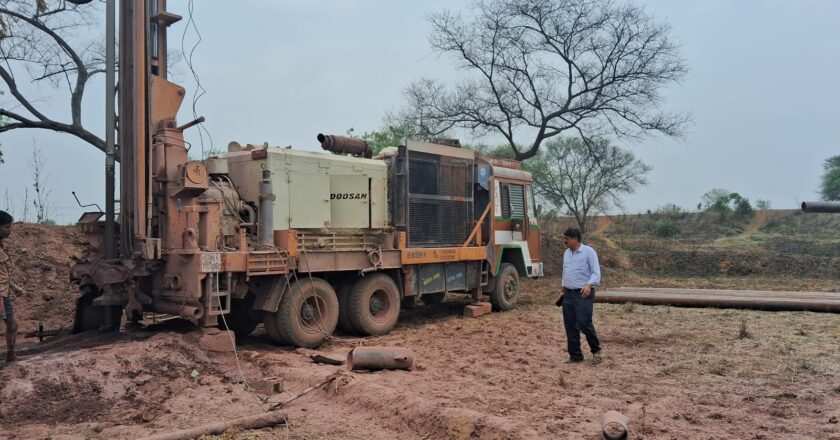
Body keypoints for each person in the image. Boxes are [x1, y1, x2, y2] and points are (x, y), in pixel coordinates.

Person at [557, 227, 602, 364]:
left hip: (583, 293)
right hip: (569, 294)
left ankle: (596, 350)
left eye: (567, 239)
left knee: (584, 322)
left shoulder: (589, 252)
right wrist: (563, 290)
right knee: (570, 325)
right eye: (564, 238)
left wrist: (589, 285)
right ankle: (575, 355)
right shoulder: (566, 253)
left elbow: (596, 273)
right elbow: (566, 273)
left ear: (575, 239)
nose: (565, 241)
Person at [0, 210, 22, 364]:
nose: (9, 230)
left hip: (4, 293)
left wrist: (14, 287)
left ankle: (10, 355)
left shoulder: (1, 246)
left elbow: (2, 274)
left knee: (13, 325)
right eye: (6, 227)